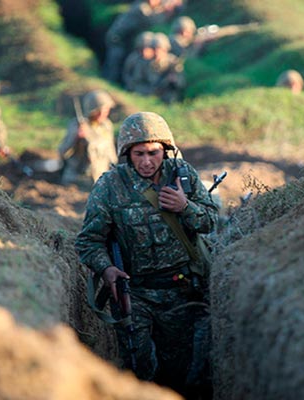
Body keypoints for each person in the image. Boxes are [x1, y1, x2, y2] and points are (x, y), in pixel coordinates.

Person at [75, 111, 218, 398]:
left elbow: (211, 222)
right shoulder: (110, 186)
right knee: (139, 370)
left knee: (180, 372)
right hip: (135, 294)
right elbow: (89, 241)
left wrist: (185, 206)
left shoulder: (183, 176)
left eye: (153, 152)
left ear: (165, 151)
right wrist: (107, 270)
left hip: (181, 293)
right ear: (126, 153)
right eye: (138, 153)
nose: (146, 161)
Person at [102, 0, 183, 84]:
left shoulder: (146, 7)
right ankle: (108, 81)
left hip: (123, 38)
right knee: (114, 61)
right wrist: (166, 12)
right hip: (118, 38)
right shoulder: (141, 8)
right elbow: (152, 20)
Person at [58, 90, 118, 185]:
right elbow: (63, 152)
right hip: (78, 180)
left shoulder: (107, 126)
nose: (102, 114)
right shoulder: (77, 125)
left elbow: (111, 153)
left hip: (100, 179)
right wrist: (76, 138)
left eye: (105, 110)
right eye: (98, 110)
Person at [146, 33, 186, 103]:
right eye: (154, 49)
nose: (156, 52)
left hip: (167, 94)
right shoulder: (146, 62)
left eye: (159, 49)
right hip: (150, 92)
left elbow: (181, 82)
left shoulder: (173, 62)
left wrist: (175, 80)